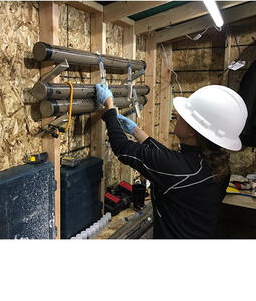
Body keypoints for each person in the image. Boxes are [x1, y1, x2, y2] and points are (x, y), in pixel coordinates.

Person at [95, 83, 247, 238]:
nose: (177, 117)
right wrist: (136, 131)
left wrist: (110, 107)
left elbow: (123, 149)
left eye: (182, 116)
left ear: (193, 131)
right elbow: (170, 162)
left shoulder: (181, 169)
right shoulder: (217, 163)